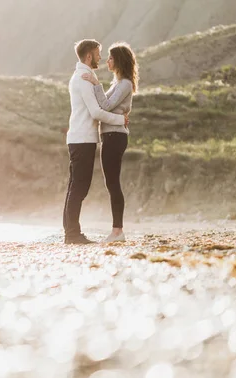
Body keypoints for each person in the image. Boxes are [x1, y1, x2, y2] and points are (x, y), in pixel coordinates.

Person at [63, 39, 128, 245]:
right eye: (99, 53)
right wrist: (121, 120)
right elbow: (97, 111)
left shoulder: (83, 76)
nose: (101, 57)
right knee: (79, 187)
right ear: (89, 55)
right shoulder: (83, 77)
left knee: (75, 186)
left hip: (80, 138)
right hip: (82, 139)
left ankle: (71, 232)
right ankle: (72, 234)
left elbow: (101, 105)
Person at [81, 42, 138, 243]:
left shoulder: (125, 84)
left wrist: (96, 84)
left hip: (115, 136)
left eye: (111, 58)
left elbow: (104, 105)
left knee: (113, 183)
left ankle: (117, 231)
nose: (107, 61)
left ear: (119, 60)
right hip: (110, 135)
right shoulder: (118, 83)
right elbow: (101, 105)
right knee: (111, 183)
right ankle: (116, 230)